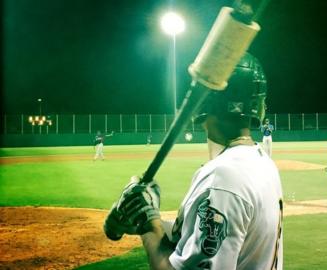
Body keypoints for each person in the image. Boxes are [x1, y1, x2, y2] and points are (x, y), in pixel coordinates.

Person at [104, 53, 284, 269]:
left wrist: (148, 227)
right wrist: (155, 221)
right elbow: (206, 236)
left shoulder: (223, 178)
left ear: (203, 103)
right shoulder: (263, 162)